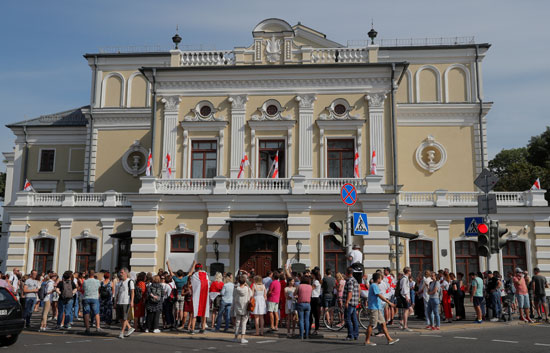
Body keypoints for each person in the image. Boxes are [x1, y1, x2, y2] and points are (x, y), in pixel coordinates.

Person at [365, 272, 399, 346]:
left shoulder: (375, 285)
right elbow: (379, 295)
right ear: (378, 279)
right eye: (381, 278)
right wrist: (389, 302)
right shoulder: (374, 285)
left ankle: (389, 339)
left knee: (383, 323)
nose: (382, 279)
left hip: (378, 307)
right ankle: (367, 341)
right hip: (374, 308)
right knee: (372, 324)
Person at [166, 260, 196, 329]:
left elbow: (170, 272)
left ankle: (176, 321)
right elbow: (191, 272)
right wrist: (194, 264)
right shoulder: (185, 279)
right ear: (182, 274)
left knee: (176, 309)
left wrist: (168, 264)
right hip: (183, 296)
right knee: (181, 310)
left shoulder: (176, 279)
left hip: (177, 295)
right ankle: (181, 322)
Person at [232, 275, 253, 344]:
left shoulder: (236, 289)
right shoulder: (247, 289)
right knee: (244, 323)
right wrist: (247, 285)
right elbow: (251, 294)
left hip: (238, 307)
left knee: (237, 322)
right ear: (244, 282)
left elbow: (234, 296)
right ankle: (242, 338)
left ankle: (235, 337)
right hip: (245, 307)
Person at [115, 268, 135, 339]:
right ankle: (129, 327)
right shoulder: (120, 282)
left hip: (126, 302)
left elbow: (132, 292)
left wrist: (132, 301)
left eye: (122, 272)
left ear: (126, 273)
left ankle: (122, 332)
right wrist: (115, 302)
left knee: (124, 318)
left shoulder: (130, 281)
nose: (120, 274)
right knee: (120, 318)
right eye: (120, 272)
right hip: (119, 302)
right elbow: (117, 293)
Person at [190, 263, 210, 334]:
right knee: (204, 312)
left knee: (195, 312)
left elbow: (192, 284)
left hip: (197, 295)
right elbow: (208, 284)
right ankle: (203, 328)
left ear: (196, 269)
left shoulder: (194, 275)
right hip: (205, 295)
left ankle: (192, 329)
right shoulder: (206, 275)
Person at [343, 267, 360, 341]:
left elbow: (350, 292)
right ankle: (356, 334)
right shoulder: (355, 280)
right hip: (354, 302)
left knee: (348, 319)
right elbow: (359, 290)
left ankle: (350, 335)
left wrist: (346, 302)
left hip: (350, 302)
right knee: (354, 319)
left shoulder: (350, 281)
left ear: (347, 273)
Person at [296, 275, 312, 340]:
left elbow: (295, 293)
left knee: (301, 320)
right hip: (308, 304)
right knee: (307, 320)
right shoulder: (310, 287)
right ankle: (307, 335)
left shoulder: (299, 286)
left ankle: (301, 335)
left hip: (301, 303)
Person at [397, 267, 412, 331]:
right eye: (410, 271)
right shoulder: (404, 279)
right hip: (404, 296)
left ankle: (403, 321)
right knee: (406, 311)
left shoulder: (405, 278)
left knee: (410, 310)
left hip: (406, 296)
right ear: (408, 271)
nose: (411, 272)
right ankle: (405, 326)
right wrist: (406, 296)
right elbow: (403, 288)